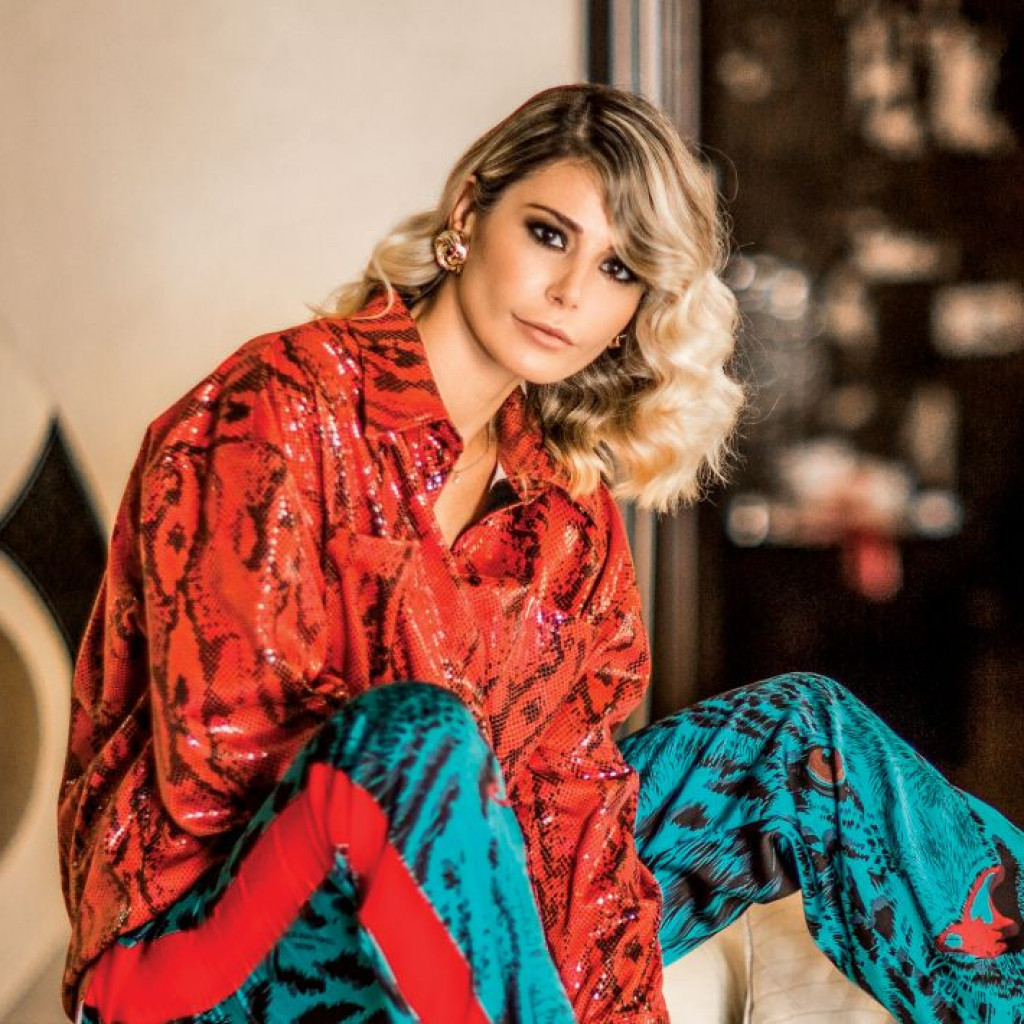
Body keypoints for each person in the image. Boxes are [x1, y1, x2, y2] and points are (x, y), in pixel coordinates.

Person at [58, 83, 1024, 1024]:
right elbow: (219, 771)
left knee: (794, 732)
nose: (570, 294)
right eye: (550, 235)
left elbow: (577, 800)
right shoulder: (276, 406)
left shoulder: (565, 503)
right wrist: (464, 825)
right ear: (469, 212)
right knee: (421, 740)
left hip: (467, 928)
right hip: (207, 948)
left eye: (619, 271)